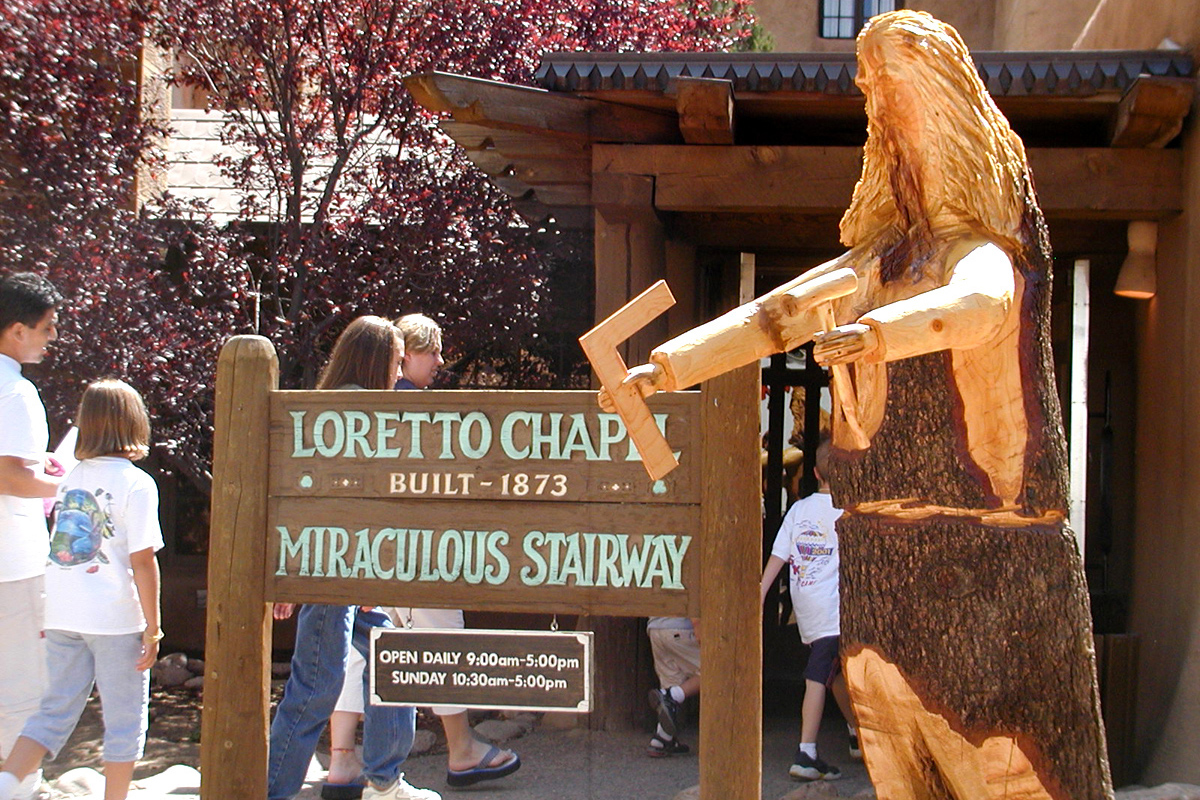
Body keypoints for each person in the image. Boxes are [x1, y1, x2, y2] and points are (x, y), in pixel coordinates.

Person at [323, 314, 519, 796]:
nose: (439, 361)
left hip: (362, 550)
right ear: (404, 355)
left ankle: (341, 760)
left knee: (357, 653)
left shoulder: (347, 406)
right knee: (441, 640)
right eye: (431, 351)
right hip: (418, 551)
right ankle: (462, 751)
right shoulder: (414, 408)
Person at [268, 316, 439, 800]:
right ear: (376, 361)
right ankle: (271, 790)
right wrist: (293, 578)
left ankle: (385, 781)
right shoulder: (344, 416)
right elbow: (307, 501)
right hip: (332, 571)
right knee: (316, 688)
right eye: (394, 360)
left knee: (394, 660)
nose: (399, 369)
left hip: (355, 569)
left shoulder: (349, 409)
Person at [0, 379, 163, 800]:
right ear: (135, 423)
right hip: (115, 618)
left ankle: (6, 783)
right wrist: (154, 627)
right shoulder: (138, 484)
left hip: (62, 614)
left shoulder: (70, 479)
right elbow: (143, 561)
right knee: (125, 718)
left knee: (52, 712)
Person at [760, 438, 857, 781]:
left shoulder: (799, 510)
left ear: (814, 473)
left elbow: (778, 556)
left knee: (836, 674)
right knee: (818, 675)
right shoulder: (849, 512)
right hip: (834, 609)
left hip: (807, 606)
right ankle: (807, 751)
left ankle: (858, 735)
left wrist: (759, 594)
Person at [0, 272, 62, 800]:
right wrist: (65, 486)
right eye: (45, 327)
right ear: (16, 331)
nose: (51, 337)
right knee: (23, 683)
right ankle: (19, 788)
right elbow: (9, 476)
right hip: (11, 561)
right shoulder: (15, 392)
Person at [644, 617, 700, 758]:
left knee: (670, 681)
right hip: (680, 628)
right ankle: (673, 695)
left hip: (655, 629)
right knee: (718, 670)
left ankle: (662, 739)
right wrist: (698, 624)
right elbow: (694, 597)